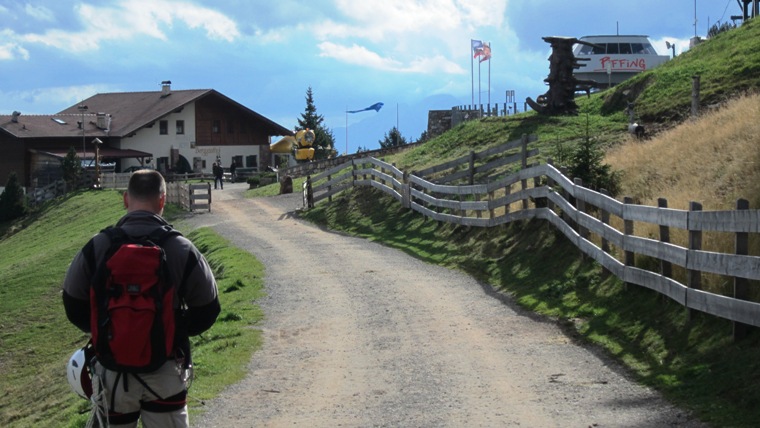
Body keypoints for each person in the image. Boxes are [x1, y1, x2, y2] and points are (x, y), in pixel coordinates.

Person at [62, 170, 221, 427]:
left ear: (126, 199)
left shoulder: (99, 245)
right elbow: (209, 309)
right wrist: (171, 329)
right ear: (162, 201)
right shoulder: (181, 248)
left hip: (112, 374)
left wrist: (107, 329)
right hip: (165, 371)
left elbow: (72, 303)